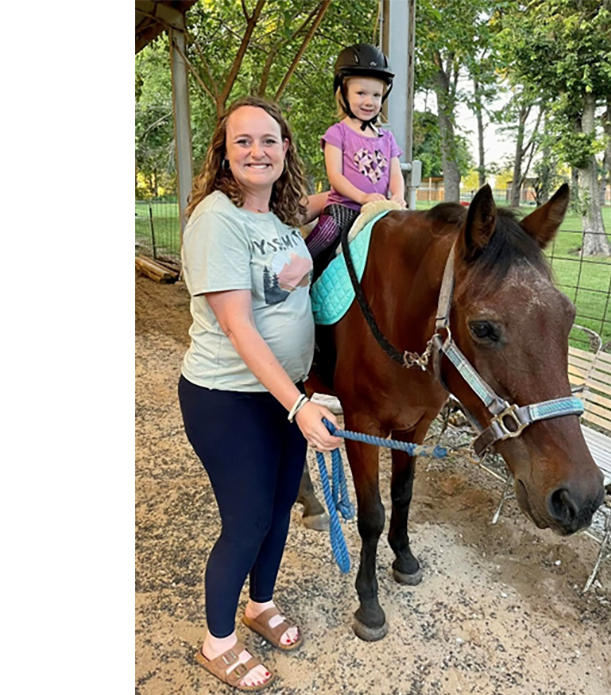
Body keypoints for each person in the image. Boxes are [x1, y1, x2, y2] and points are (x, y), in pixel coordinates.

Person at [177, 95, 343, 692]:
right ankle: (218, 642)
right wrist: (300, 406)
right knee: (246, 520)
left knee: (277, 510)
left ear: (285, 149)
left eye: (269, 139)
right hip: (229, 397)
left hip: (283, 395)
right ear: (223, 152)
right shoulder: (216, 219)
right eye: (242, 140)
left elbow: (309, 235)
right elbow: (239, 326)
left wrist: (354, 201)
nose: (257, 150)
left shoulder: (276, 222)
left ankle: (259, 605)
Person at [304, 43, 406, 281]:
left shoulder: (387, 137)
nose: (369, 101)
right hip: (344, 207)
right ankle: (296, 277)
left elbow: (395, 174)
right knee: (325, 236)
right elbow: (335, 177)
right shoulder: (337, 133)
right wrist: (362, 198)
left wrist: (398, 196)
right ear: (344, 93)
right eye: (361, 93)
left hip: (378, 210)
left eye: (376, 95)